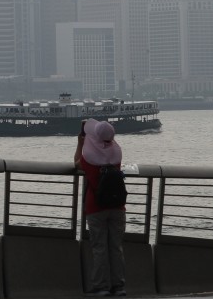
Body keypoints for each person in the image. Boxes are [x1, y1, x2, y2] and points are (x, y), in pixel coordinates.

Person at [74, 118, 126, 297]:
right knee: (115, 247)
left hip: (96, 206)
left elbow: (76, 163)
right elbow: (106, 146)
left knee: (99, 247)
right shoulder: (117, 154)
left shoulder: (89, 158)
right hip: (118, 206)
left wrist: (80, 143)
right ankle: (119, 286)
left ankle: (101, 286)